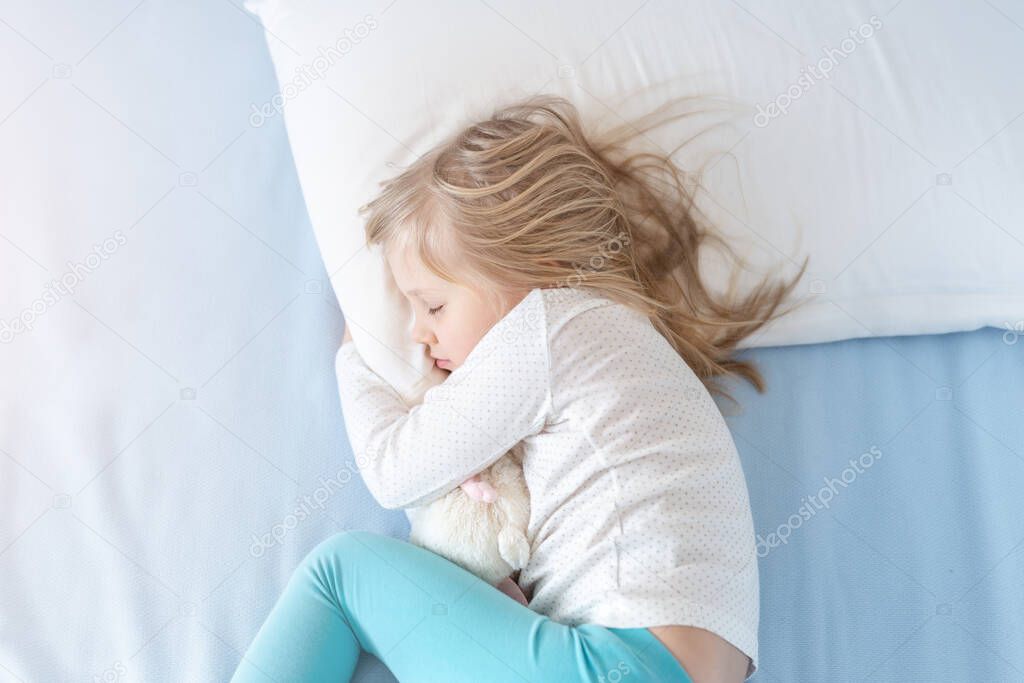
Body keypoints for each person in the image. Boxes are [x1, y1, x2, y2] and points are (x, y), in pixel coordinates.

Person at [231, 94, 807, 683]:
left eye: (432, 304)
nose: (418, 333)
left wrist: (355, 355)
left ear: (523, 267)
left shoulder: (547, 328)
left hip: (615, 664)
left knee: (340, 572)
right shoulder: (628, 349)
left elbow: (393, 469)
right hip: (655, 662)